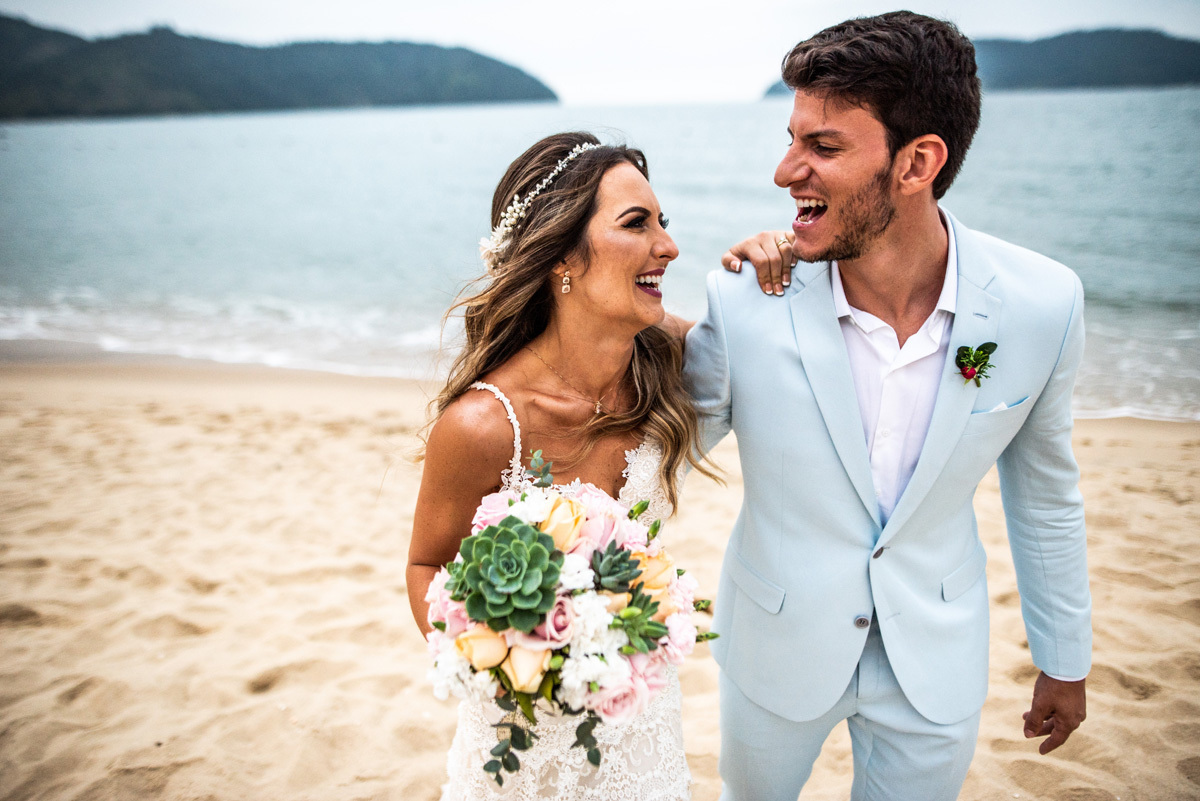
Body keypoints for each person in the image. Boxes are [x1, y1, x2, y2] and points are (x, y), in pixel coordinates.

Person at [685, 12, 1091, 800]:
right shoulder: (745, 298)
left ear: (918, 163)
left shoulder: (1044, 304)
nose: (784, 170)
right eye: (792, 136)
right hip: (773, 645)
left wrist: (1064, 655)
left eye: (822, 147)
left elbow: (1044, 492)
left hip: (934, 657)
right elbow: (661, 448)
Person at [407, 131, 740, 800]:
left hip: (641, 723)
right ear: (563, 255)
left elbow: (769, 347)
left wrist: (765, 271)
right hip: (521, 738)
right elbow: (426, 568)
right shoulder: (480, 425)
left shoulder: (669, 356)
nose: (668, 247)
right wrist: (502, 656)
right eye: (636, 224)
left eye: (663, 223)